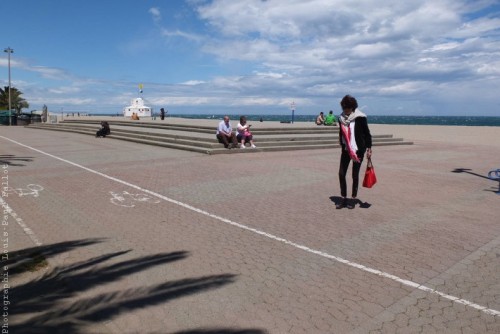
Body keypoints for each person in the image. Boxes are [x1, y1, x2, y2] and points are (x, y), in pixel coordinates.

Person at [336, 95, 372, 209]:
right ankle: (343, 198)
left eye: (348, 108)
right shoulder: (341, 118)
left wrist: (369, 148)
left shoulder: (360, 117)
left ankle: (353, 198)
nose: (345, 110)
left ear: (353, 107)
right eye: (344, 108)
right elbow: (341, 133)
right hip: (346, 150)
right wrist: (342, 144)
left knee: (354, 174)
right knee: (341, 173)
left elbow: (367, 133)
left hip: (358, 150)